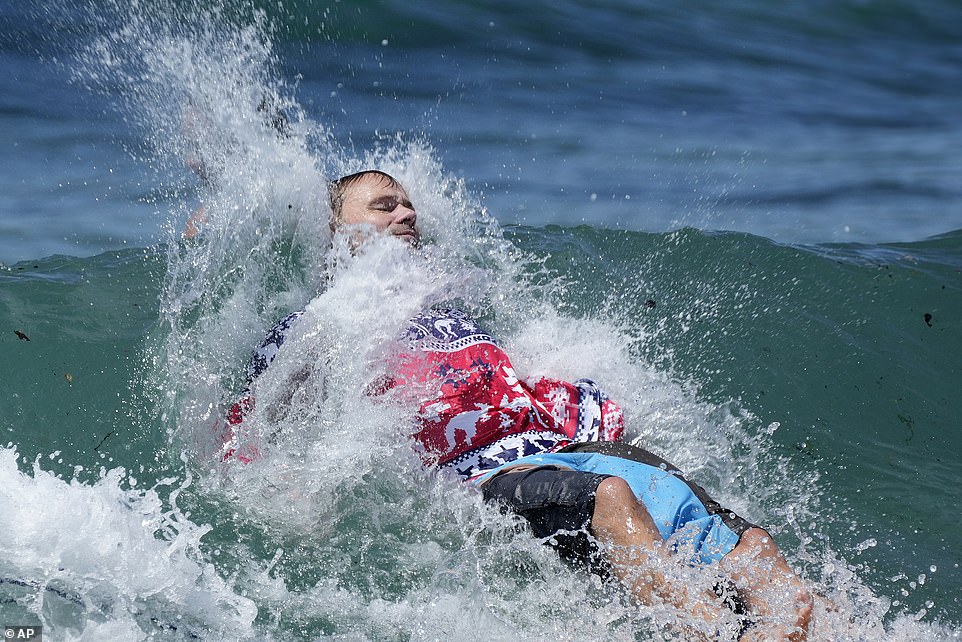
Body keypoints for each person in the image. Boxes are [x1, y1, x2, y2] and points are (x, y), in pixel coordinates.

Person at [220, 170, 815, 640]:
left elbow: (514, 393)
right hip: (487, 477)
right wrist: (281, 486)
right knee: (611, 499)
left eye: (407, 207)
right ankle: (705, 632)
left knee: (752, 550)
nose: (406, 215)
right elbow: (255, 417)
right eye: (383, 206)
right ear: (335, 233)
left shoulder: (451, 311)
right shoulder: (324, 326)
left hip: (567, 452)